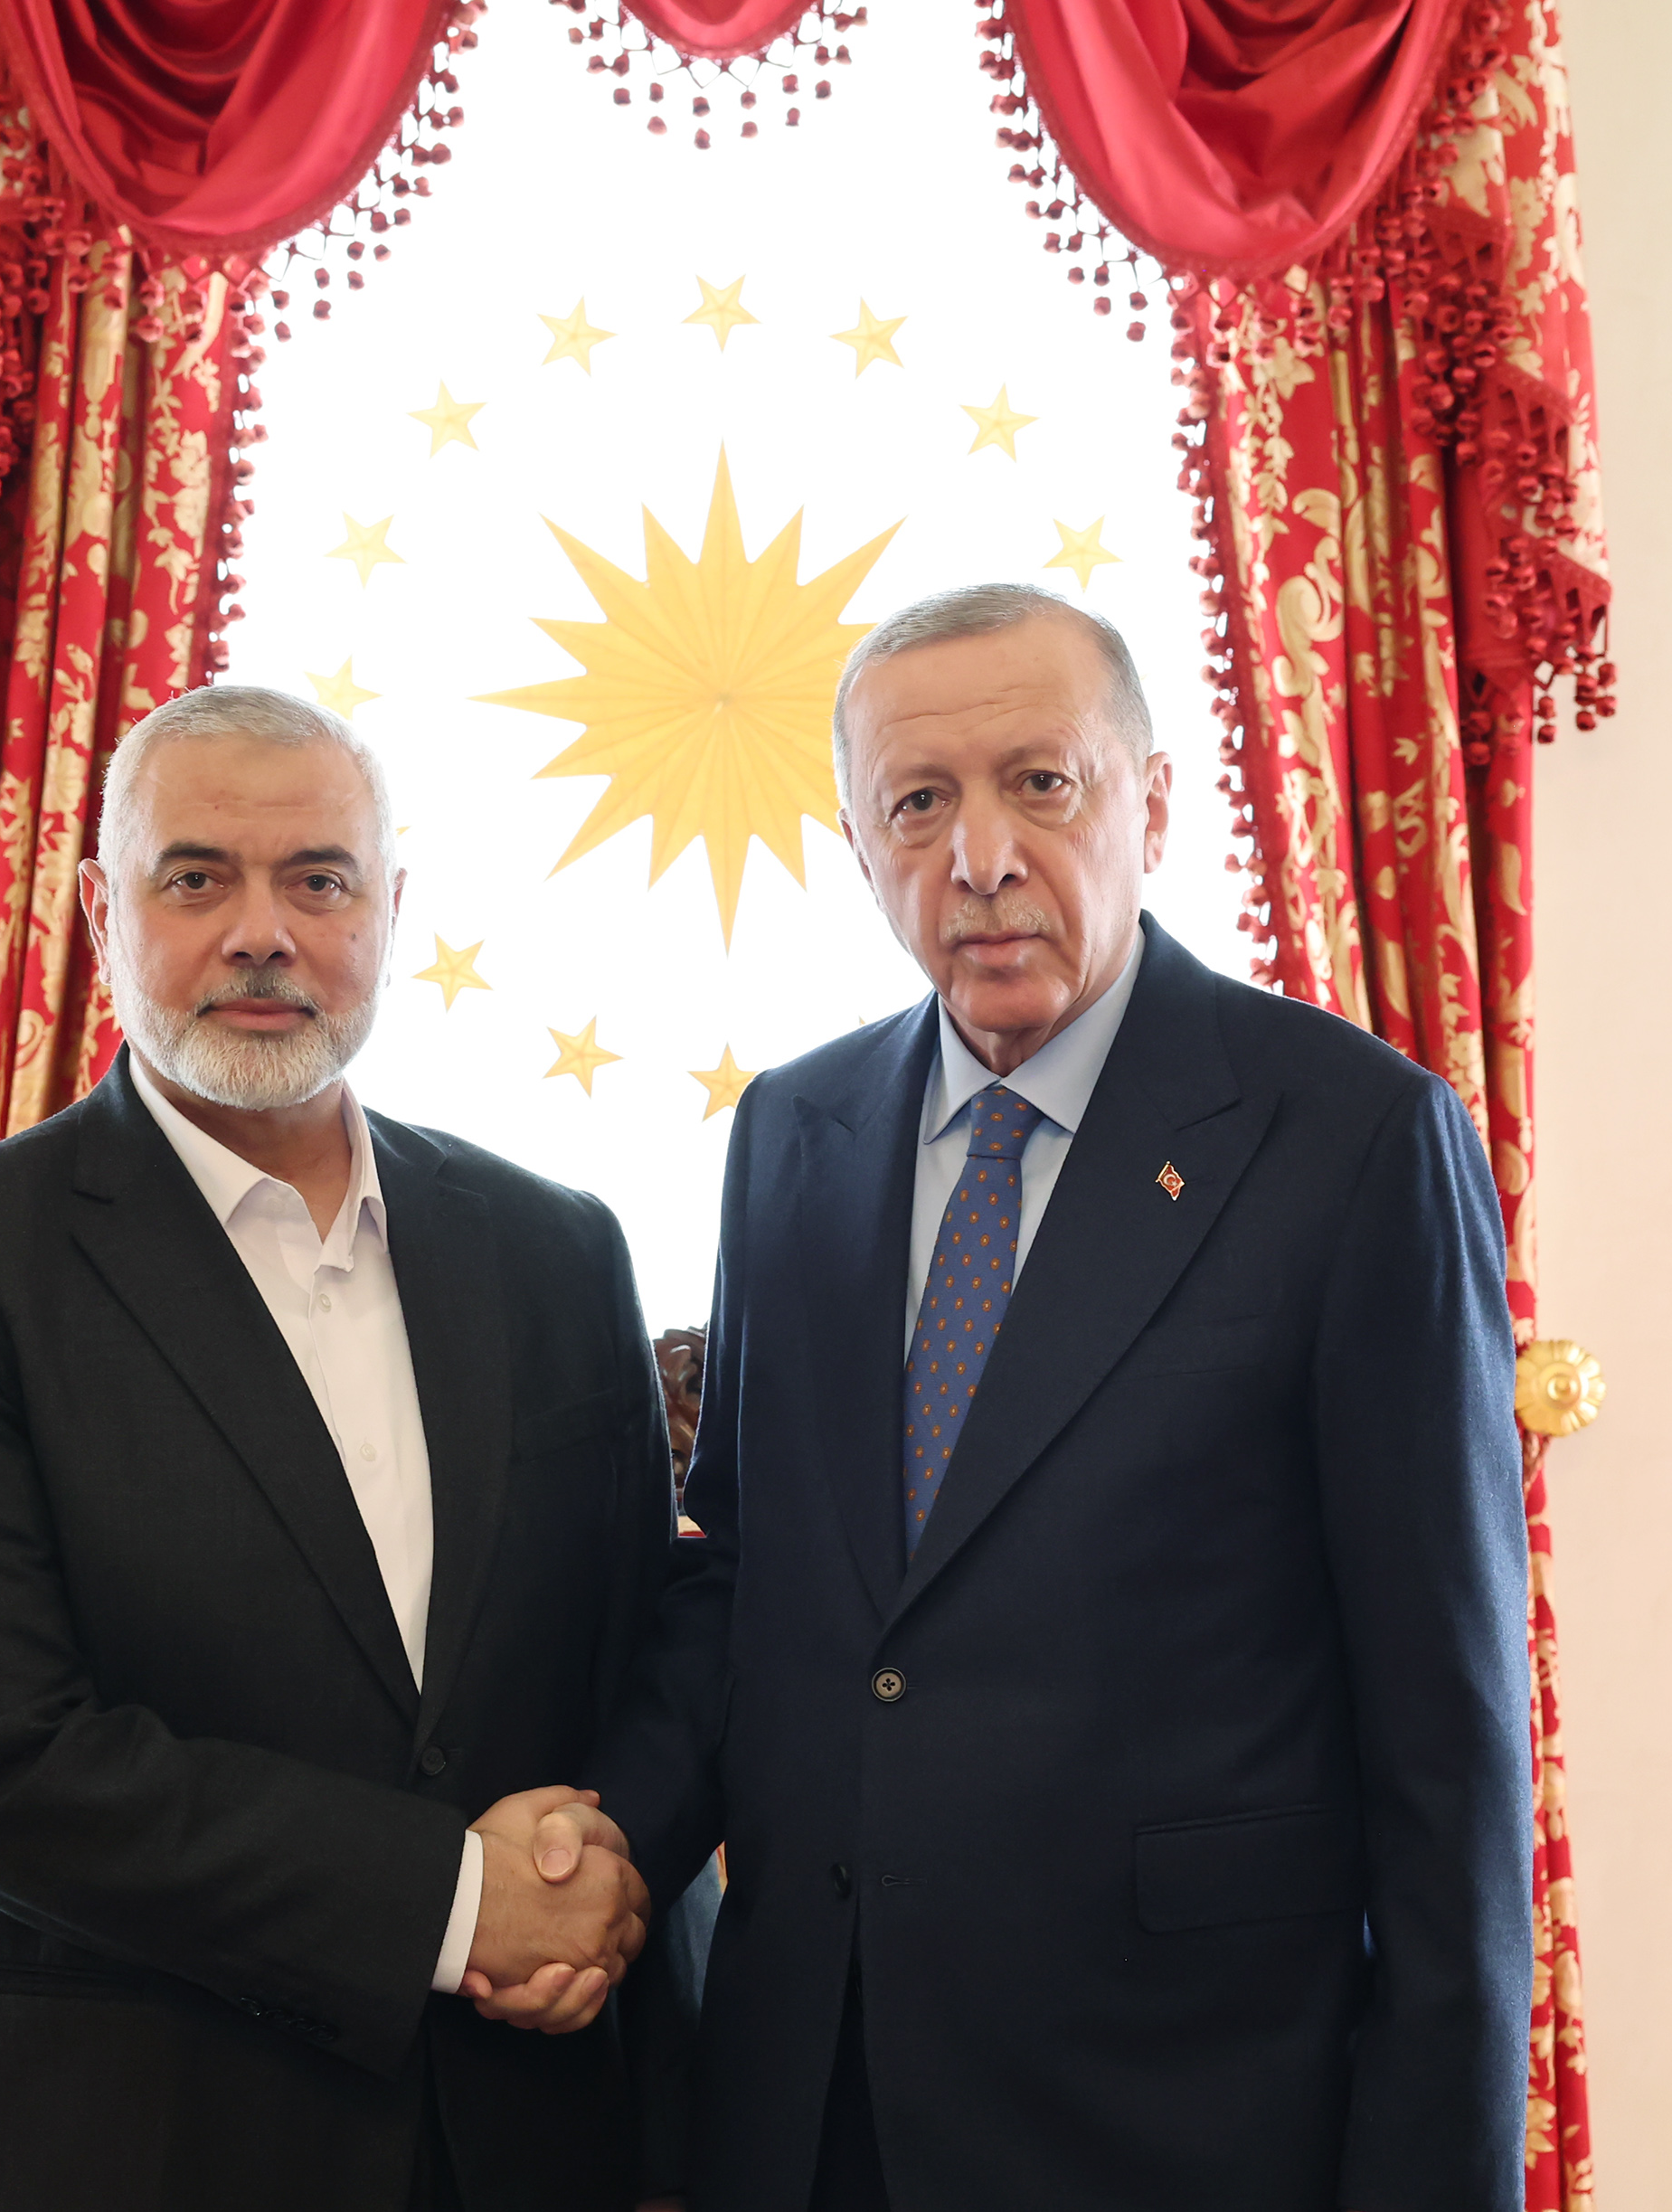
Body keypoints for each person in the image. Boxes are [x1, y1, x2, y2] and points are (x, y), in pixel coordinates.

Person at [562, 585, 1535, 2210]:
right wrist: (611, 1852)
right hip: (818, 2110)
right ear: (863, 841)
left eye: (1043, 782)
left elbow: (1449, 1747)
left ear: (1152, 801)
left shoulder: (1355, 1142)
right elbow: (747, 1583)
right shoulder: (793, 1139)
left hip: (1188, 2112)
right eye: (920, 802)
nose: (984, 856)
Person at [0, 686, 690, 2211]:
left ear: (392, 910)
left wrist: (594, 1907)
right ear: (101, 908)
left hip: (511, 2133)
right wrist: (460, 1899)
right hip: (98, 2142)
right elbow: (2, 1765)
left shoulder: (556, 1249)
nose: (263, 931)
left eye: (320, 880)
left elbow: (642, 1653)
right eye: (197, 876)